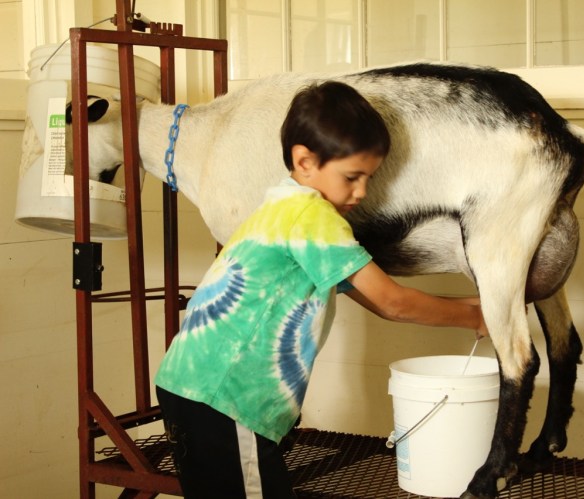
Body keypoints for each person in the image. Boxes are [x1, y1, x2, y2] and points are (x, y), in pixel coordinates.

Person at [155, 80, 488, 498]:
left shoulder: (281, 206)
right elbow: (393, 302)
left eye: (369, 177)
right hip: (224, 398)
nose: (362, 191)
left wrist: (473, 302)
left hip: (194, 387)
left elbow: (375, 300)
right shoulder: (314, 217)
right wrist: (476, 316)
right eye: (353, 176)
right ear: (305, 161)